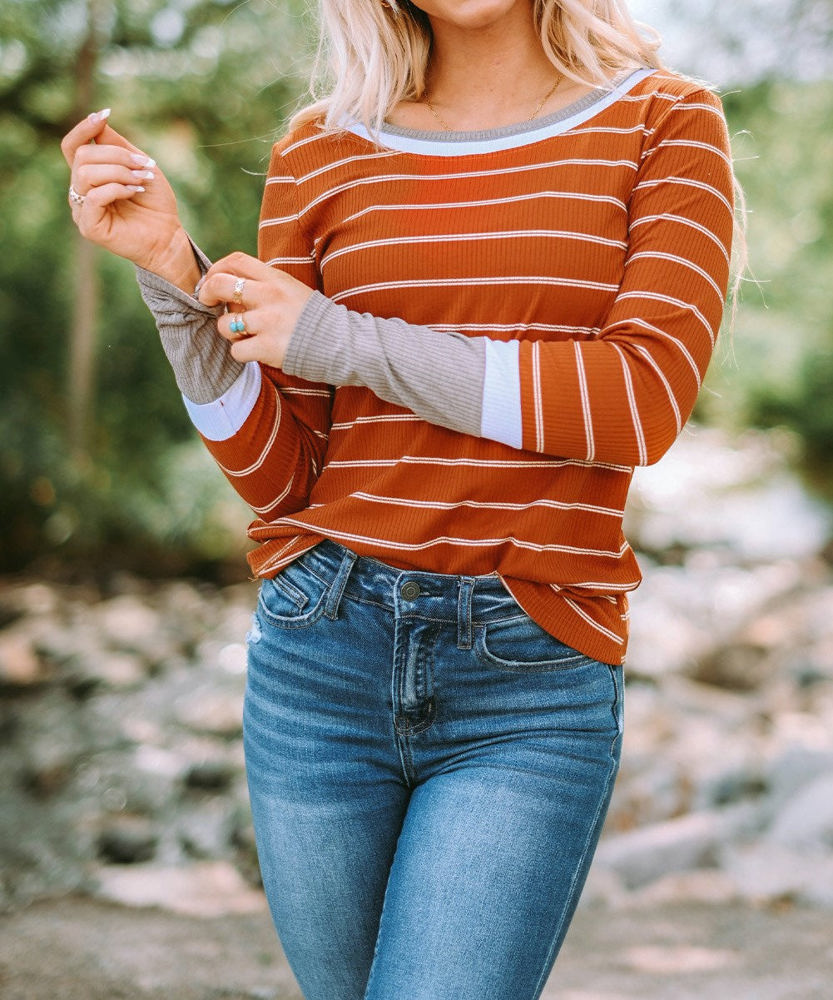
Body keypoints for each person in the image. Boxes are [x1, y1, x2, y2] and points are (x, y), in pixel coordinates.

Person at [61, 1, 738, 997]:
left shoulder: (663, 123)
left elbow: (633, 404)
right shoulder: (317, 147)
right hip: (319, 652)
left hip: (526, 672)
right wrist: (173, 273)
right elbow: (283, 474)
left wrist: (342, 341)